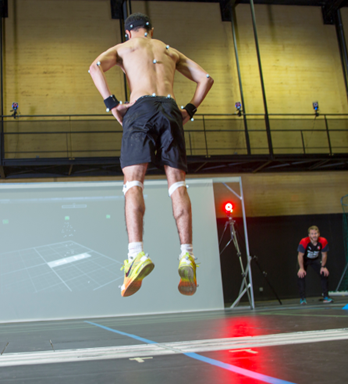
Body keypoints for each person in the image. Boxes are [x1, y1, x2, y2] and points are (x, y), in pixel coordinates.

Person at [89, 13, 214, 297]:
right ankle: (186, 255)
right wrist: (189, 110)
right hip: (170, 109)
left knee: (133, 182)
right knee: (177, 184)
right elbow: (206, 79)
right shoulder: (169, 50)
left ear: (127, 32)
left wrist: (112, 105)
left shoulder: (125, 48)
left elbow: (94, 67)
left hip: (140, 108)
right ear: (151, 31)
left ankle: (136, 255)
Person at [297, 225, 333, 304]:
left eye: (316, 233)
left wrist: (323, 267)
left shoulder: (323, 241)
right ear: (309, 235)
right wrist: (301, 268)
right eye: (312, 234)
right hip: (304, 260)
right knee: (301, 275)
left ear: (319, 234)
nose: (314, 235)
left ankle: (326, 297)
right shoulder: (304, 241)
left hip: (315, 259)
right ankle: (302, 299)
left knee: (324, 274)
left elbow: (324, 255)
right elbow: (300, 256)